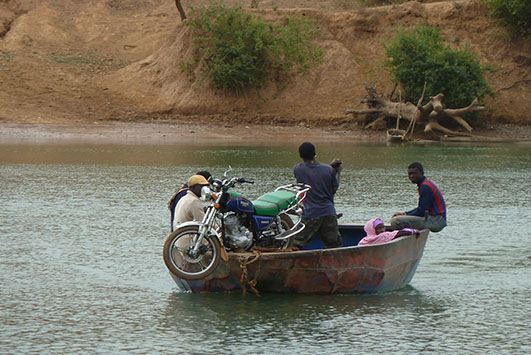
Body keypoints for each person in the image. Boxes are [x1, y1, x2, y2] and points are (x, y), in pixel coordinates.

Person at [292, 142, 343, 249]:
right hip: (328, 212)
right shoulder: (328, 170)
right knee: (335, 247)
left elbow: (312, 172)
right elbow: (333, 188)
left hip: (310, 213)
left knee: (296, 244)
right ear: (315, 154)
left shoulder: (297, 169)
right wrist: (337, 172)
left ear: (300, 155)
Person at [390, 162, 447, 232]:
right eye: (409, 174)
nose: (411, 176)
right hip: (434, 218)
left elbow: (422, 211)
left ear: (422, 173)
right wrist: (405, 214)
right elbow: (422, 209)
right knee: (399, 219)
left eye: (415, 173)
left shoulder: (425, 186)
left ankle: (408, 236)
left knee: (396, 221)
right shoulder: (425, 184)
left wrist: (405, 214)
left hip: (436, 221)